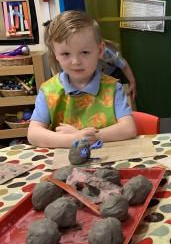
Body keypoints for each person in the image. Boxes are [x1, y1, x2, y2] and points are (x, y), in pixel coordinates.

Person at [28, 11, 137, 148]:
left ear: (100, 51)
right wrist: (75, 139)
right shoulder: (48, 91)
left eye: (84, 52)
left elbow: (129, 129)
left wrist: (86, 137)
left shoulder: (114, 88)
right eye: (65, 54)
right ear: (55, 54)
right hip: (65, 160)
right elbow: (33, 134)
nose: (76, 62)